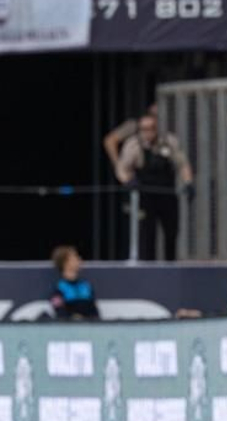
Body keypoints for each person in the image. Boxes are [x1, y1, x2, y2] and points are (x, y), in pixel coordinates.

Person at [115, 111, 193, 262]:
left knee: (171, 232)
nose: (148, 133)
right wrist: (128, 181)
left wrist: (188, 183)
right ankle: (148, 265)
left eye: (151, 128)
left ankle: (171, 264)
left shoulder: (169, 141)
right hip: (146, 197)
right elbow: (121, 169)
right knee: (147, 234)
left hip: (167, 195)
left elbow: (183, 164)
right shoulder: (134, 144)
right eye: (144, 129)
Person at [48, 246, 100, 321]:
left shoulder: (86, 286)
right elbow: (60, 313)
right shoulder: (59, 288)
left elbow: (95, 312)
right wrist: (73, 319)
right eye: (75, 257)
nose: (79, 259)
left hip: (89, 328)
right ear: (65, 262)